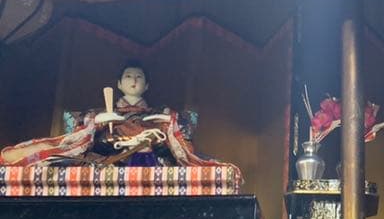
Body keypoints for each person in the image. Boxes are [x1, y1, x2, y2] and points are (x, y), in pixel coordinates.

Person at [0, 61, 225, 169]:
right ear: (119, 84)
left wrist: (168, 123)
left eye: (139, 77)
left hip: (152, 159)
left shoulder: (161, 113)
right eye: (128, 76)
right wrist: (97, 122)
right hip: (111, 161)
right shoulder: (100, 114)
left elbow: (180, 137)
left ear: (147, 85)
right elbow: (84, 139)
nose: (134, 80)